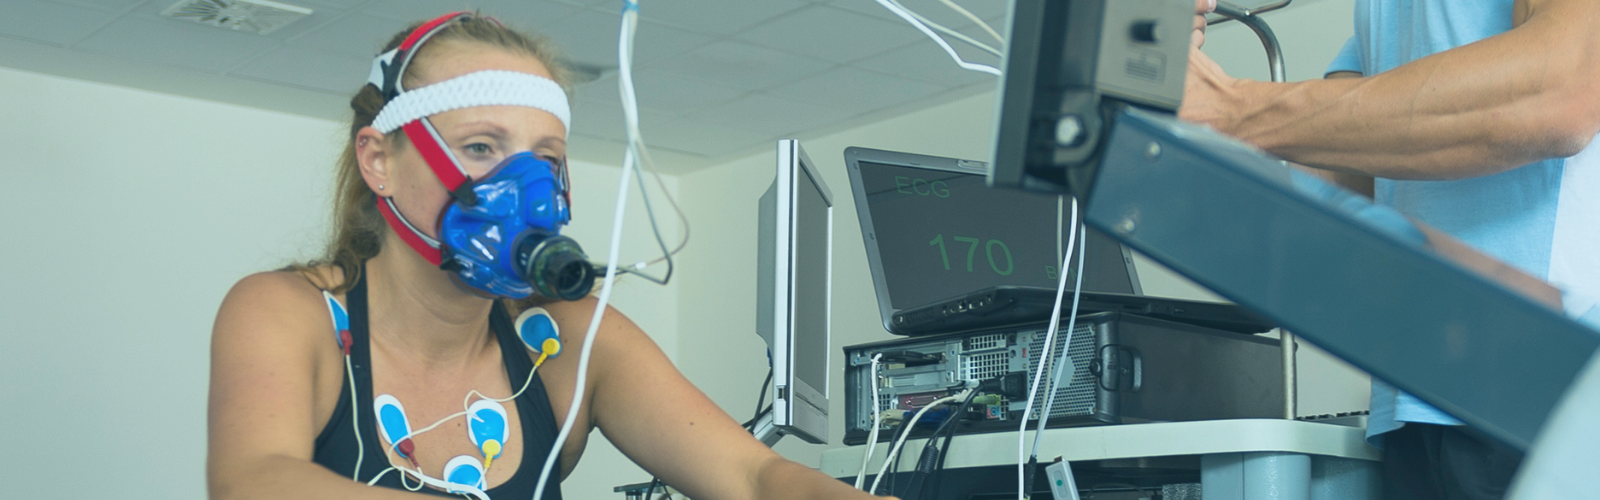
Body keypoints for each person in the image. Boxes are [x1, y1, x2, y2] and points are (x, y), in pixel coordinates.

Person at [206, 13, 887, 500]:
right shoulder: (290, 313)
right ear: (379, 160)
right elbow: (255, 480)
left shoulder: (570, 337)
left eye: (547, 160)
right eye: (480, 148)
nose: (524, 189)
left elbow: (751, 476)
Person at [1182, 0, 1600, 498]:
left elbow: (1561, 89)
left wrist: (1232, 108)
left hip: (1552, 389)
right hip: (1421, 398)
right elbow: (1353, 171)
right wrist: (1173, 97)